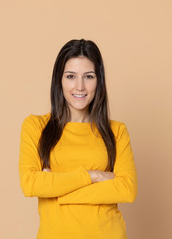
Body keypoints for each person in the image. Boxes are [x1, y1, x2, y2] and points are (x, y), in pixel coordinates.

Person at [18, 39, 137, 239]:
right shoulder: (36, 127)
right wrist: (94, 176)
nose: (80, 86)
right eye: (71, 76)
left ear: (98, 80)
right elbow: (30, 184)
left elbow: (127, 190)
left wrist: (56, 189)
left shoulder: (116, 131)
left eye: (88, 76)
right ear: (59, 80)